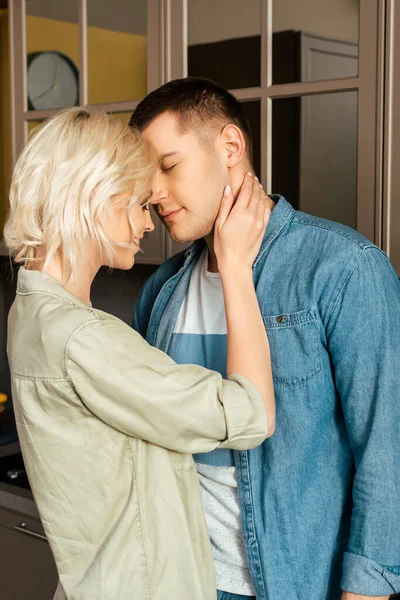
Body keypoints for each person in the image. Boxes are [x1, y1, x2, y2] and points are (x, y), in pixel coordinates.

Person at [130, 77, 400, 600]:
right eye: (147, 177)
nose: (154, 192)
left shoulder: (344, 269)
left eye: (168, 166)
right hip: (176, 577)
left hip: (290, 583)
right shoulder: (161, 290)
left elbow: (387, 449)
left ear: (230, 147)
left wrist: (366, 591)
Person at [4, 107, 275, 600]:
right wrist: (236, 267)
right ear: (94, 199)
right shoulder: (83, 338)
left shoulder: (30, 311)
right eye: (138, 204)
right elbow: (249, 414)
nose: (149, 224)